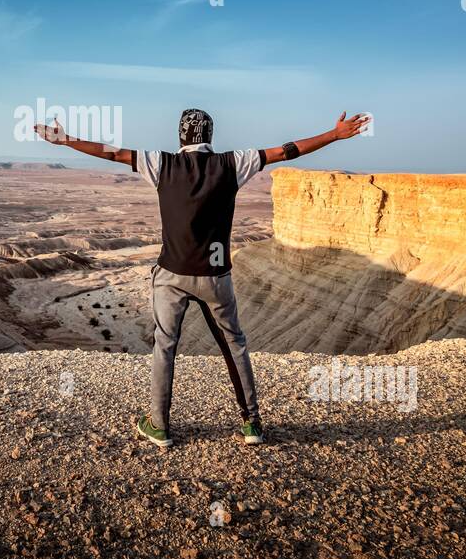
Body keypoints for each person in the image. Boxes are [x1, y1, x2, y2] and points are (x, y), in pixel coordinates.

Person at [35, 107, 369, 447]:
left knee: (165, 347)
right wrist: (333, 134)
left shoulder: (161, 163)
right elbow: (286, 150)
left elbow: (114, 153)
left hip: (172, 273)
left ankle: (159, 426)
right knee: (235, 345)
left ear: (180, 136)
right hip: (216, 275)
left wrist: (66, 140)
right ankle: (252, 424)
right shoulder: (233, 162)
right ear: (210, 136)